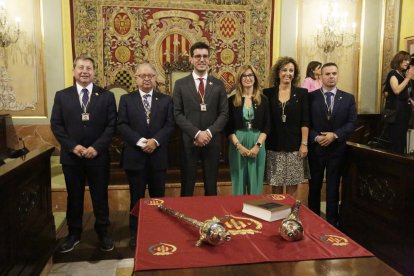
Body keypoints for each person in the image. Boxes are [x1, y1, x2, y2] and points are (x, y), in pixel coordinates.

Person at [50, 54, 117, 252]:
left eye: (88, 68)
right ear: (74, 71)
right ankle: (74, 233)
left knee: (100, 196)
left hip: (98, 156)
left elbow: (111, 125)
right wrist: (73, 146)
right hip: (73, 157)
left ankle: (103, 232)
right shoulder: (62, 96)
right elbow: (56, 124)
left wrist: (97, 147)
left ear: (94, 72)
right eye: (81, 67)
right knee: (74, 196)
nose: (85, 71)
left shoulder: (106, 96)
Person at [117, 63, 175, 248]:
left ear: (155, 77)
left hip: (158, 157)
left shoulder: (165, 100)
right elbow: (122, 125)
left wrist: (155, 141)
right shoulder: (126, 99)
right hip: (135, 157)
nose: (147, 78)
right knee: (137, 198)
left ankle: (159, 229)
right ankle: (136, 232)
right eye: (142, 75)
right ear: (136, 78)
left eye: (150, 75)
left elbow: (170, 125)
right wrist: (142, 142)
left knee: (159, 197)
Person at [173, 41, 229, 196]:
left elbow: (224, 113)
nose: (201, 59)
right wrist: (197, 134)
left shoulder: (218, 85)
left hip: (212, 142)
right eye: (197, 56)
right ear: (191, 59)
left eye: (205, 56)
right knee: (187, 186)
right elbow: (177, 113)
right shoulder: (180, 84)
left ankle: (210, 218)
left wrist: (208, 133)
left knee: (211, 186)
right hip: (189, 142)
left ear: (209, 59)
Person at [308, 62, 357, 227]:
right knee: (314, 185)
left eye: (334, 73)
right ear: (320, 76)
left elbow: (352, 123)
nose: (331, 77)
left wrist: (335, 135)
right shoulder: (311, 97)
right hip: (316, 148)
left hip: (337, 149)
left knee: (333, 185)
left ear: (338, 75)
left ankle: (331, 221)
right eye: (327, 74)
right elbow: (305, 122)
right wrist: (316, 137)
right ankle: (313, 219)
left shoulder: (348, 98)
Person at [264, 57, 309, 196]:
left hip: (295, 146)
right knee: (276, 183)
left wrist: (304, 144)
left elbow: (305, 121)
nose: (288, 73)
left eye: (291, 70)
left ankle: (290, 214)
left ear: (294, 74)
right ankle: (276, 212)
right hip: (273, 145)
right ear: (278, 72)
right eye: (284, 70)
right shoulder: (268, 93)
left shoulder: (302, 93)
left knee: (291, 184)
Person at [226, 64, 270, 195]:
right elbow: (228, 128)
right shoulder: (232, 100)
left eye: (250, 75)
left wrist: (258, 146)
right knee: (238, 180)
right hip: (237, 143)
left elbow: (267, 126)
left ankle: (255, 212)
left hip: (258, 142)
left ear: (255, 78)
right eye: (244, 76)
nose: (247, 78)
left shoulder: (264, 99)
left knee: (255, 182)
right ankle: (237, 211)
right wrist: (239, 146)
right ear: (239, 79)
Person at [383, 51, 414, 154]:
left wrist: (409, 99)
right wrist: (408, 78)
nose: (407, 62)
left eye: (409, 60)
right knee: (395, 142)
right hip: (396, 114)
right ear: (399, 60)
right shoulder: (393, 73)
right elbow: (396, 90)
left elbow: (402, 94)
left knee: (401, 141)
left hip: (403, 113)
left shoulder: (402, 75)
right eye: (405, 60)